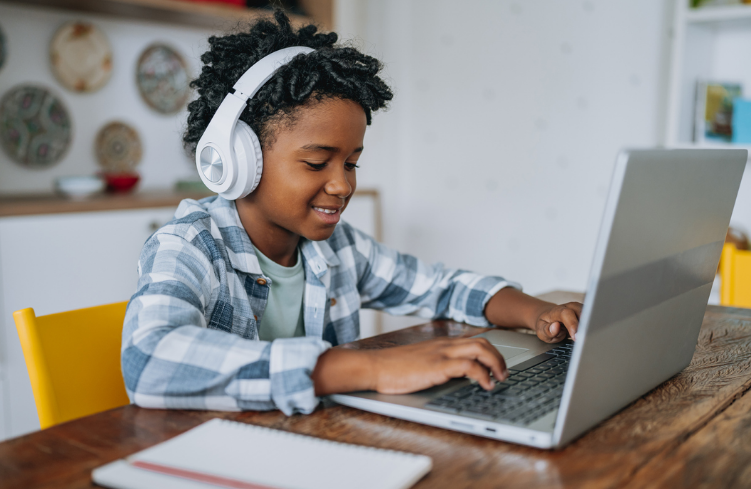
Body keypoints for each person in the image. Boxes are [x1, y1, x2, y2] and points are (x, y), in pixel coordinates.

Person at [121, 12, 582, 415]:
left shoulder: (339, 248)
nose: (343, 185)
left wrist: (539, 312)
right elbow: (150, 360)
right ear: (238, 160)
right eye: (317, 163)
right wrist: (369, 367)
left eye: (352, 162)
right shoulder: (190, 246)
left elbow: (441, 287)